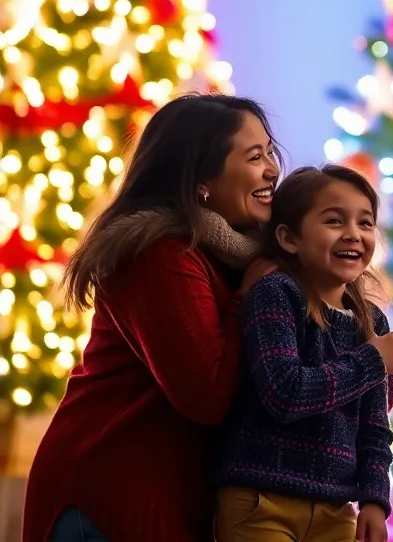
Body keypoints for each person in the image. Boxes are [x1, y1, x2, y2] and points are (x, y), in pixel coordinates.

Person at [23, 93, 282, 542]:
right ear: (201, 178)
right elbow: (207, 393)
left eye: (271, 152)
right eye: (255, 156)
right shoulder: (159, 252)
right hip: (115, 494)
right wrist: (252, 295)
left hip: (169, 497)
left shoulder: (238, 255)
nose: (273, 169)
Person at [214, 164, 393, 542]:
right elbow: (285, 393)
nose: (353, 235)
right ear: (289, 238)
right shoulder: (275, 295)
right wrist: (375, 360)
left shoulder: (370, 322)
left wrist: (375, 499)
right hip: (261, 502)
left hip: (334, 509)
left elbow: (374, 428)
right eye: (334, 221)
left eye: (365, 223)